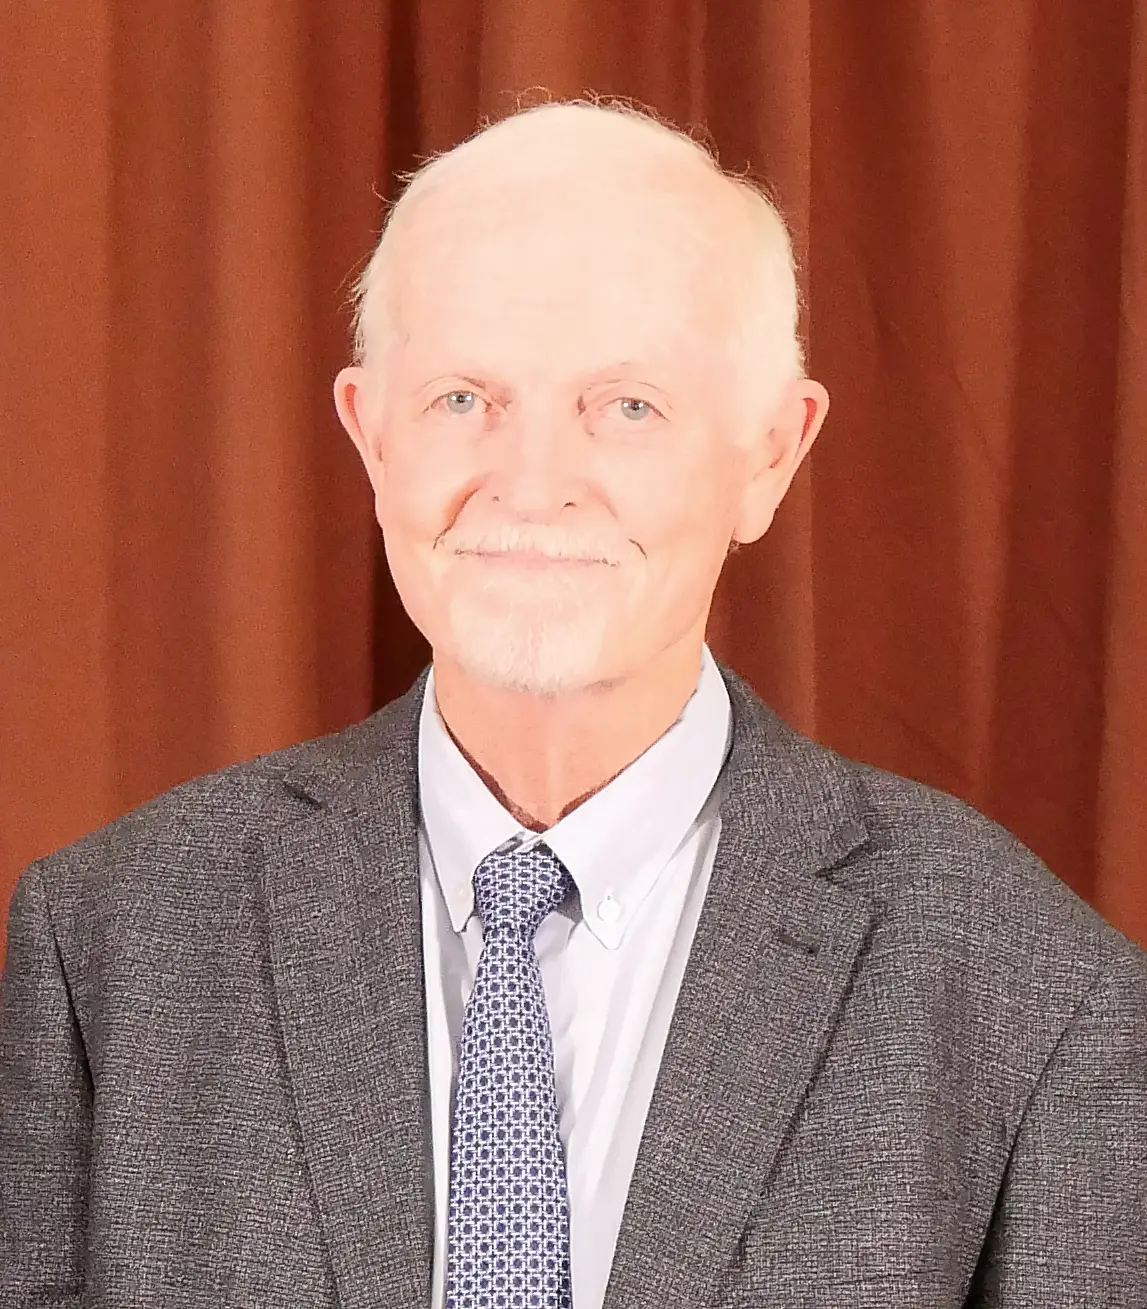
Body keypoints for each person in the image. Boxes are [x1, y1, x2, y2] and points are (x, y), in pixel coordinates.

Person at [1, 99, 1144, 1309]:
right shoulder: (107, 943)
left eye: (626, 406)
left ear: (770, 454)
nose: (532, 485)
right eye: (462, 399)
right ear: (370, 434)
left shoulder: (1033, 992)